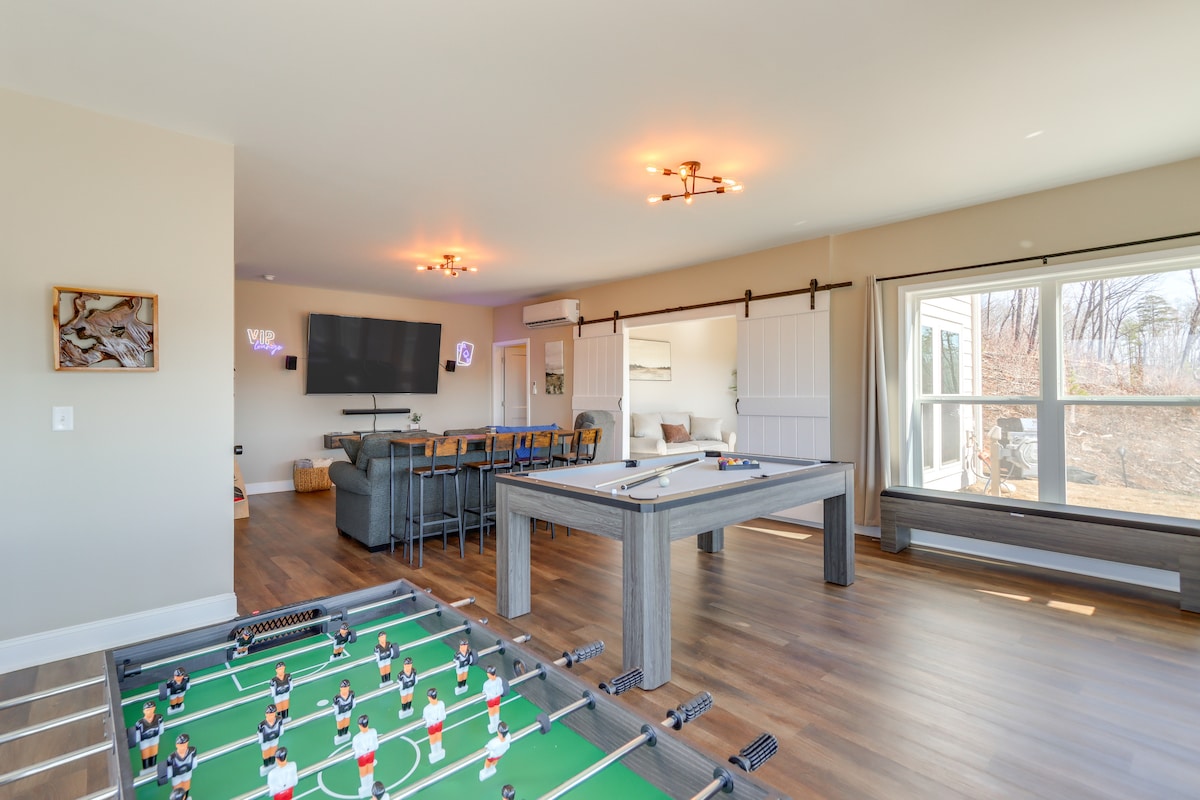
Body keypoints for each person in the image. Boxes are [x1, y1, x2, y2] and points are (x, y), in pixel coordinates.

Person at [130, 700, 164, 774]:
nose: (149, 712)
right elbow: (137, 735)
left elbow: (161, 730)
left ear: (154, 709)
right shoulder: (140, 723)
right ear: (144, 711)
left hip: (155, 739)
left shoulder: (159, 718)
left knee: (153, 752)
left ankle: (153, 767)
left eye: (151, 709)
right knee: (146, 754)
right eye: (147, 710)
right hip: (144, 741)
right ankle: (146, 769)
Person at [352, 713, 380, 797]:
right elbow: (376, 745)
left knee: (364, 771)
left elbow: (355, 750)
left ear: (360, 726)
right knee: (370, 769)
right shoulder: (373, 731)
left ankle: (365, 786)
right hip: (370, 754)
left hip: (362, 756)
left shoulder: (357, 738)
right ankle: (368, 784)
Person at [165, 732, 197, 798]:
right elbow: (168, 768)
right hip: (177, 777)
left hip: (187, 774)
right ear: (177, 745)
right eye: (181, 745)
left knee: (186, 788)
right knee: (177, 792)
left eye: (185, 744)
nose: (184, 747)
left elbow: (194, 763)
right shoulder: (172, 757)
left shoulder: (192, 751)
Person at [257, 703, 285, 776]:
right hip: (266, 742)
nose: (271, 716)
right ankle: (266, 764)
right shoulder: (262, 725)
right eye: (270, 714)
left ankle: (273, 762)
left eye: (273, 714)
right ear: (266, 715)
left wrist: (280, 732)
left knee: (273, 750)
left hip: (274, 739)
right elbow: (260, 735)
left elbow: (281, 729)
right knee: (266, 752)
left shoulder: (278, 720)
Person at [422, 687, 447, 764]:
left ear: (429, 697)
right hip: (437, 724)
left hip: (434, 725)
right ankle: (436, 751)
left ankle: (436, 751)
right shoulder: (441, 704)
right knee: (436, 737)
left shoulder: (427, 709)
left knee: (435, 738)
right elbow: (443, 715)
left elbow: (426, 720)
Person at [481, 664, 506, 734]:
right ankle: (495, 722)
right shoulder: (499, 680)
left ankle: (494, 723)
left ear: (489, 674)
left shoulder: (487, 684)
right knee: (496, 709)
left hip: (492, 699)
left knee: (492, 711)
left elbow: (484, 692)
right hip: (496, 698)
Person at [333, 678, 356, 744]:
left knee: (347, 721)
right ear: (341, 688)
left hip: (348, 711)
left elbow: (353, 702)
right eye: (344, 688)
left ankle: (345, 732)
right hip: (340, 713)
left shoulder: (351, 694)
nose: (345, 690)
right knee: (340, 722)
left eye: (347, 688)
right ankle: (340, 734)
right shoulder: (337, 698)